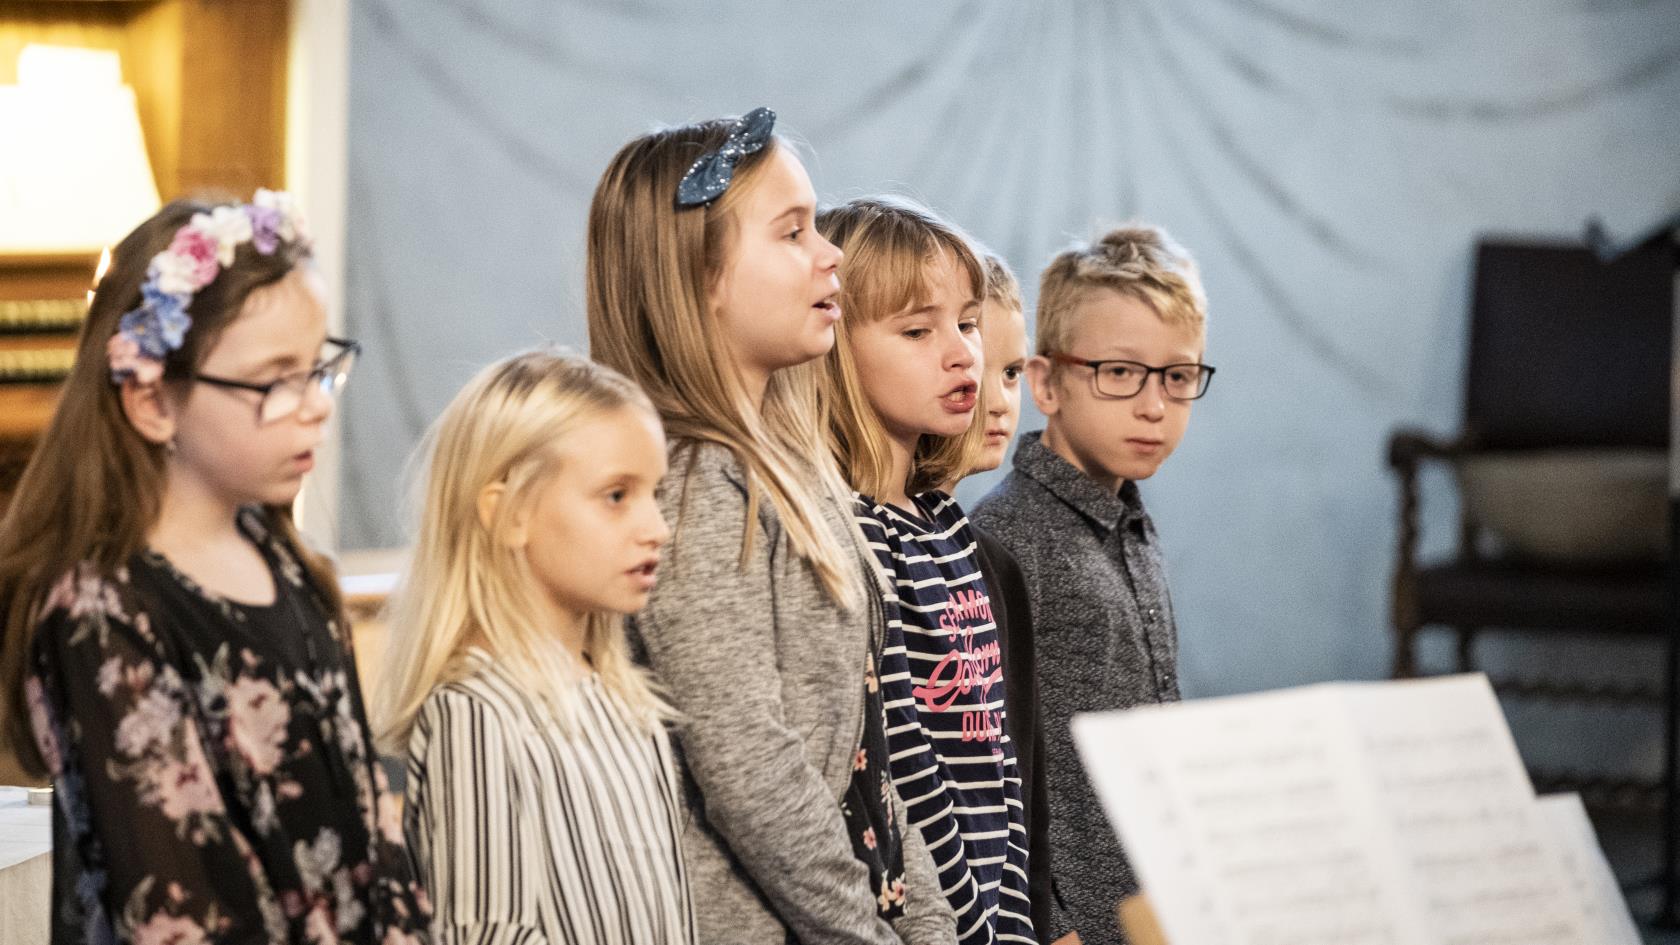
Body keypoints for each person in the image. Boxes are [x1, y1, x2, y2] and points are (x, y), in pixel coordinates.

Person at [0, 193, 427, 944]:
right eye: (273, 381)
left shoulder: (292, 567)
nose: (316, 407)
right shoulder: (100, 611)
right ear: (153, 399)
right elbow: (176, 903)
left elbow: (371, 822)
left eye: (318, 368)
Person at [586, 108, 955, 945]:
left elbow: (873, 754)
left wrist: (932, 931)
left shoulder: (797, 469)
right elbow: (755, 774)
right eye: (792, 233)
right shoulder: (687, 484)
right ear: (702, 274)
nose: (831, 256)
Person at [378, 349, 695, 945]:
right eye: (616, 496)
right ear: (508, 514)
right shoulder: (475, 716)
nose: (656, 526)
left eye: (655, 493)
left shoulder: (631, 708)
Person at [972, 225, 1215, 945]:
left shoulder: (1132, 523)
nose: (1153, 405)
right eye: (1119, 371)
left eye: (1178, 376)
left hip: (1149, 901)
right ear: (1045, 382)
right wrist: (1052, 920)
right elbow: (990, 762)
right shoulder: (1009, 535)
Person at [817, 197, 1036, 945]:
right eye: (918, 330)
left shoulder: (946, 529)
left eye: (967, 324)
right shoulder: (853, 534)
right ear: (836, 348)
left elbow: (1000, 767)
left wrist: (1013, 923)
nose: (962, 354)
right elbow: (906, 765)